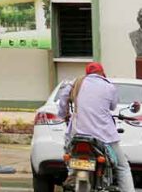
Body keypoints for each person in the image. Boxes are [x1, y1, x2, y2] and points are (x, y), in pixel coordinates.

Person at [56, 62, 135, 192]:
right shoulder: (109, 86)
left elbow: (64, 96)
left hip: (77, 135)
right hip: (104, 136)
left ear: (87, 73)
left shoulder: (77, 82)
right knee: (122, 167)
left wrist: (63, 114)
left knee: (69, 154)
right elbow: (113, 106)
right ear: (102, 73)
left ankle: (72, 175)